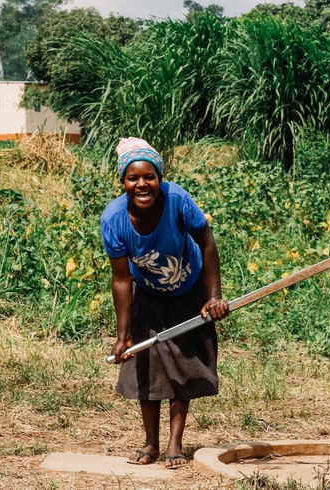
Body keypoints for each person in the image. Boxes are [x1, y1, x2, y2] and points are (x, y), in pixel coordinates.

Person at [102, 137, 229, 469]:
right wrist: (123, 335)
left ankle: (175, 442)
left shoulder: (177, 200)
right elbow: (121, 279)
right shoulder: (113, 220)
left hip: (189, 290)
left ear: (159, 177)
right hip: (149, 293)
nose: (142, 184)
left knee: (182, 369)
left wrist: (213, 296)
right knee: (145, 368)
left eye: (149, 177)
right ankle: (151, 442)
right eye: (133, 178)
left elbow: (207, 242)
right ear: (123, 182)